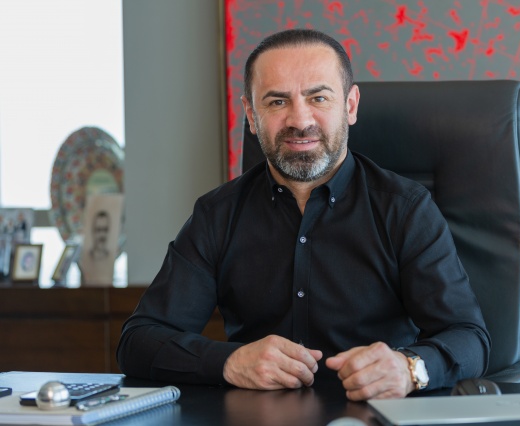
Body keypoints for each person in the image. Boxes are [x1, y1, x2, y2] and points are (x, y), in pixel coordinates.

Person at [117, 28, 490, 401]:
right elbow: (139, 341)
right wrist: (229, 361)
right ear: (251, 114)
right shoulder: (217, 214)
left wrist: (410, 369)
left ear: (350, 106)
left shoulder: (406, 209)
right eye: (277, 101)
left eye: (318, 98)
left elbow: (470, 339)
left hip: (375, 414)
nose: (299, 119)